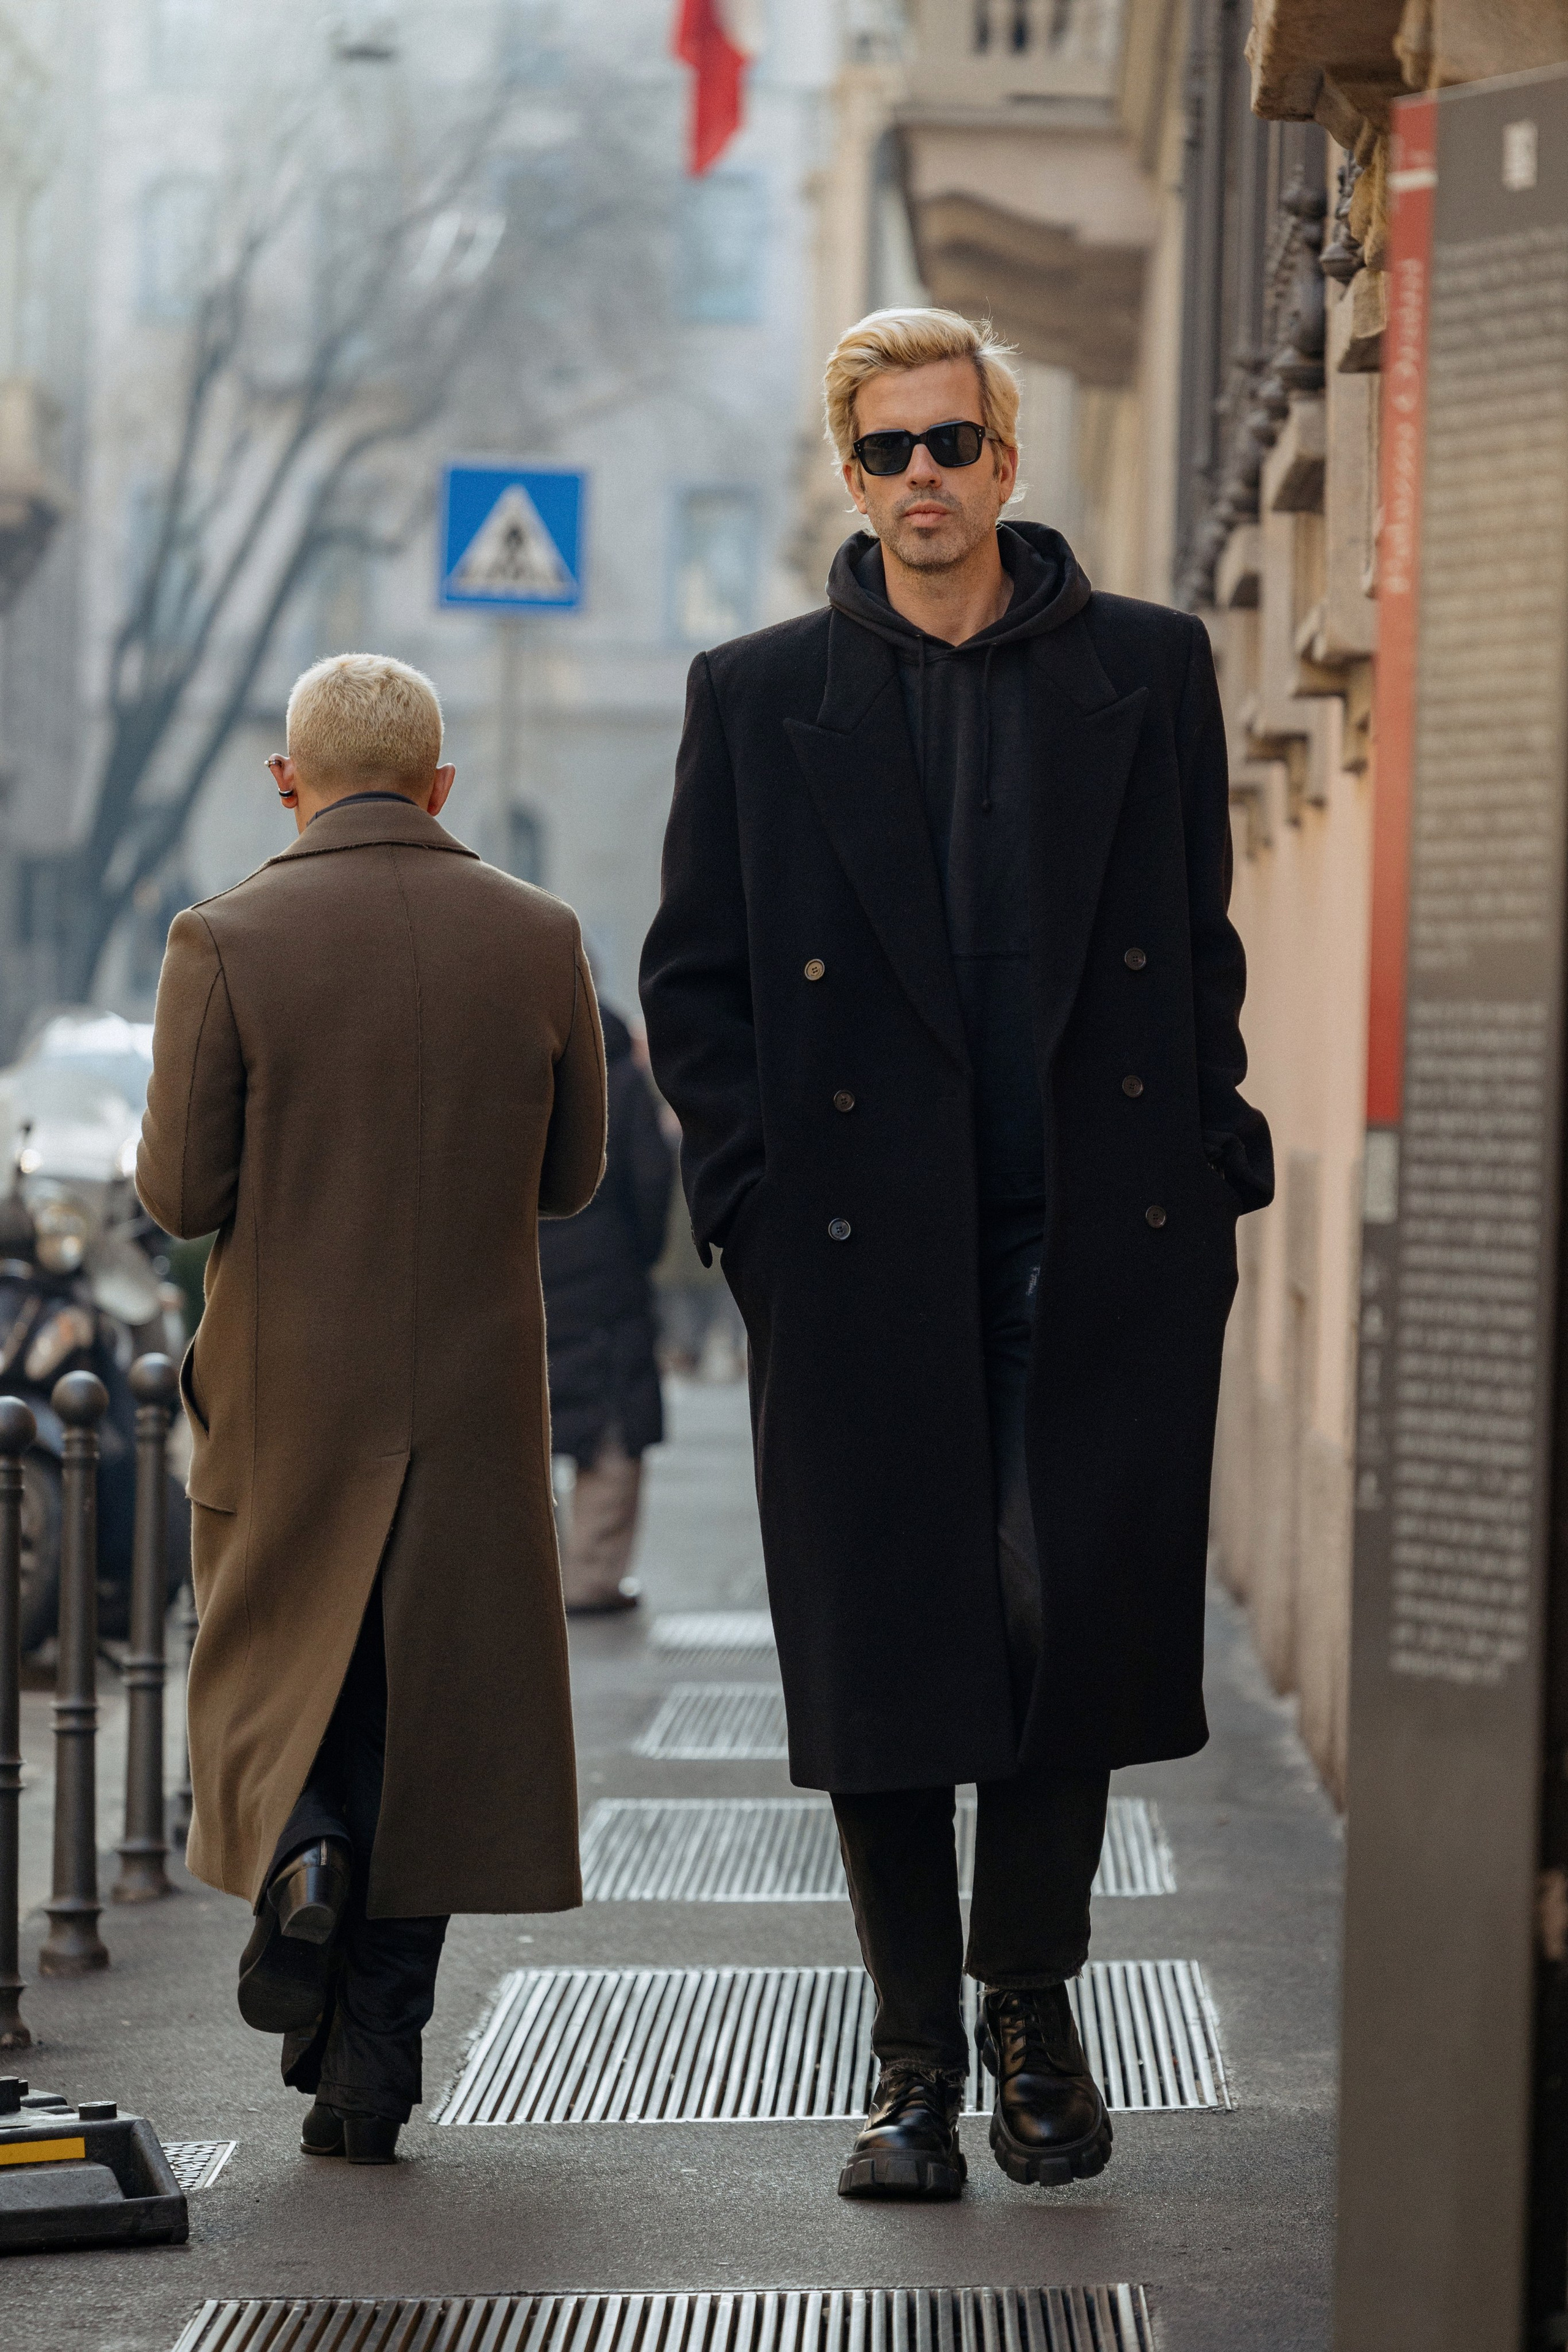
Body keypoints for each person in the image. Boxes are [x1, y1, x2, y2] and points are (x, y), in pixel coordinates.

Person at [639, 307, 1273, 2202]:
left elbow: (1200, 942)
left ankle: (1025, 1997)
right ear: (851, 477)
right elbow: (697, 988)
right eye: (881, 452)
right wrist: (752, 1210)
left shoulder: (1146, 673)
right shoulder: (757, 695)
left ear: (1006, 458)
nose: (917, 479)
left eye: (946, 444)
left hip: (1093, 1244)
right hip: (855, 1254)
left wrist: (1202, 1164)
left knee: (1053, 1624)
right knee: (888, 1652)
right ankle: (916, 2061)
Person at [137, 653, 606, 2165]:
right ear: (442, 785)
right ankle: (375, 2059)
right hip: (469, 1386)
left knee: (280, 1672)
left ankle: (307, 1849)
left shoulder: (226, 937)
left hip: (285, 1390)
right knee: (442, 1713)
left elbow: (179, 1192)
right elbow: (574, 1177)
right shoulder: (539, 936)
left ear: (289, 780)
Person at [539, 997, 674, 1613]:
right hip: (608, 1278)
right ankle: (592, 1578)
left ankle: (536, 1574)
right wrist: (637, 1251)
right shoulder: (621, 1080)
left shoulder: (512, 1070)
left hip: (523, 1274)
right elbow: (651, 1182)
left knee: (524, 1425)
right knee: (613, 1424)